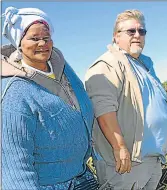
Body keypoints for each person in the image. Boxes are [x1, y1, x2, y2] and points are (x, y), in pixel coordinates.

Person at [1, 6, 99, 190]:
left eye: (46, 38)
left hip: (82, 176)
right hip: (49, 185)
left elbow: (82, 110)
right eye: (34, 38)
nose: (42, 43)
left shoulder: (63, 69)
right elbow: (15, 162)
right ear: (19, 43)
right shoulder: (15, 92)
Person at [85, 9, 167, 190]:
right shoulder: (107, 64)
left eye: (142, 31)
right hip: (126, 164)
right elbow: (103, 108)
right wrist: (120, 147)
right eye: (130, 31)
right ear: (116, 37)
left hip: (151, 159)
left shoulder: (144, 66)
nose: (137, 35)